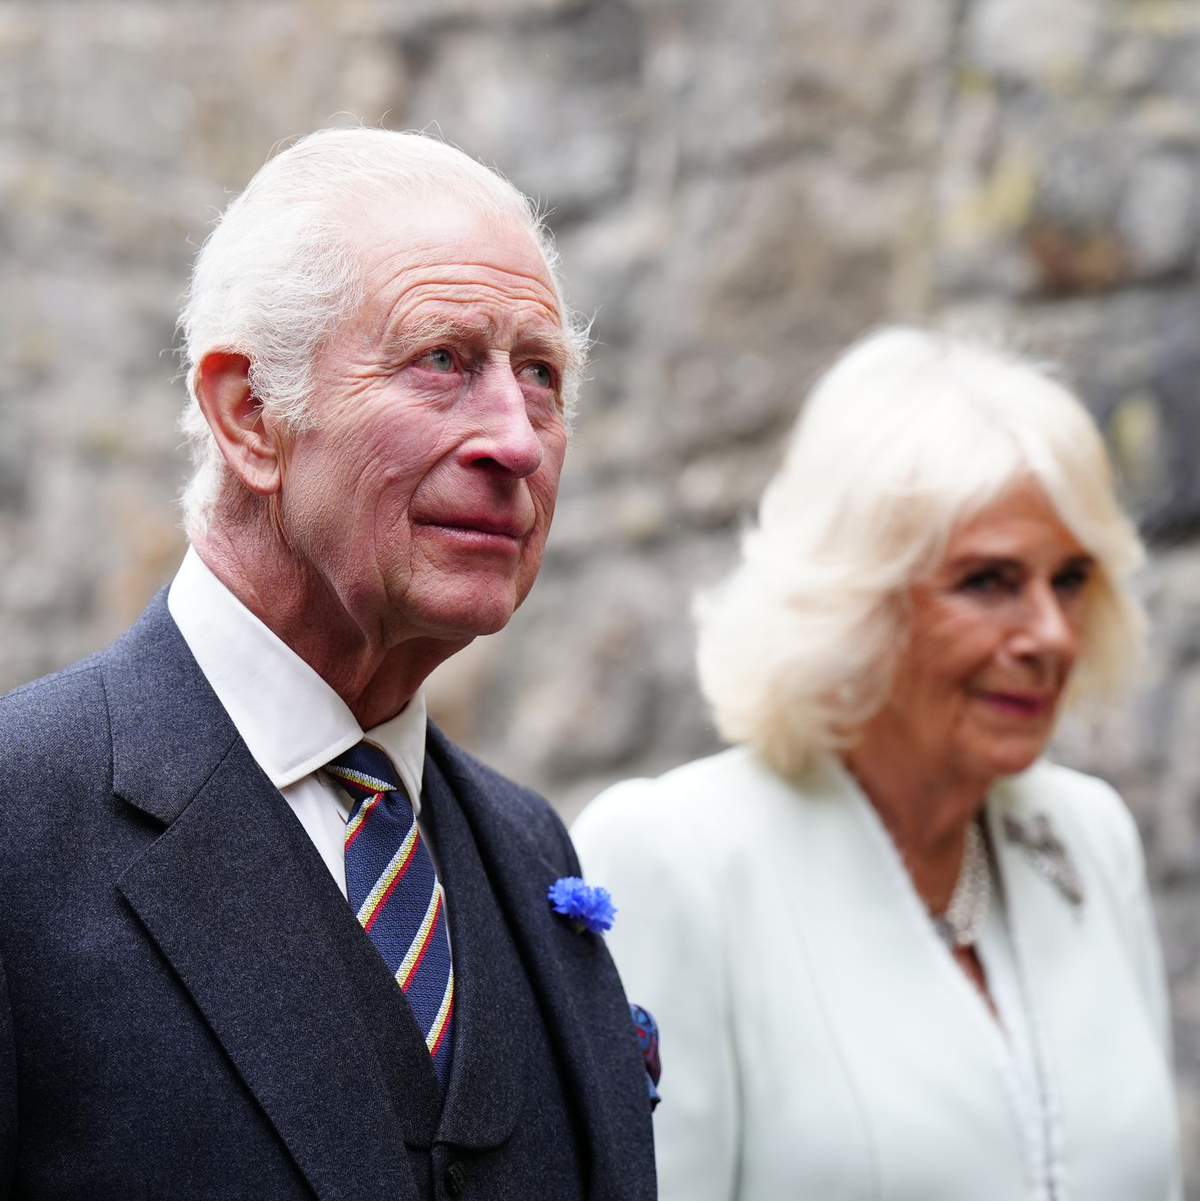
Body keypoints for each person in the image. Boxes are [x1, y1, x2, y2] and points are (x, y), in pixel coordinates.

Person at [0, 128, 656, 1201]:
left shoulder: (531, 853)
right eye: (443, 359)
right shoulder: (22, 822)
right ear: (250, 415)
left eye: (540, 375)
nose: (517, 441)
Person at [573, 327, 1181, 1201]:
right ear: (854, 602)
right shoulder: (679, 854)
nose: (1050, 633)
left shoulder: (1088, 835)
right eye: (989, 580)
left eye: (1072, 578)